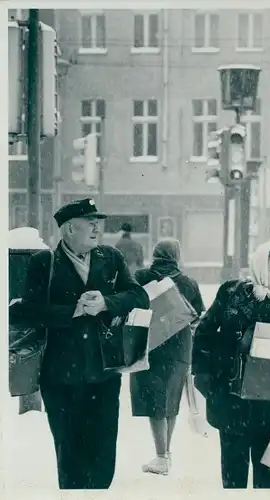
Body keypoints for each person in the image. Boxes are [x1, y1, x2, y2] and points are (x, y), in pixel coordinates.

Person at [17, 198, 150, 489]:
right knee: (70, 460)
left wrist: (107, 303)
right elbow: (26, 311)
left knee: (102, 459)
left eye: (97, 222)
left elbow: (139, 296)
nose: (96, 228)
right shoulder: (44, 263)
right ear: (68, 230)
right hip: (61, 378)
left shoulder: (111, 258)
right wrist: (71, 311)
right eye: (88, 222)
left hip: (103, 375)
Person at [192, 241, 270, 489]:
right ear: (260, 267)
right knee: (233, 477)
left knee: (266, 479)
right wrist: (203, 374)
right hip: (231, 400)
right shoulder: (232, 293)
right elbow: (203, 332)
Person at [130, 238, 205, 475]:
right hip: (180, 349)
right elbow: (197, 316)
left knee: (154, 403)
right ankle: (166, 453)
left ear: (155, 254)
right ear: (176, 256)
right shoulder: (188, 283)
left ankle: (161, 456)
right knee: (170, 402)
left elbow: (129, 305)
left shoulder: (141, 278)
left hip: (149, 347)